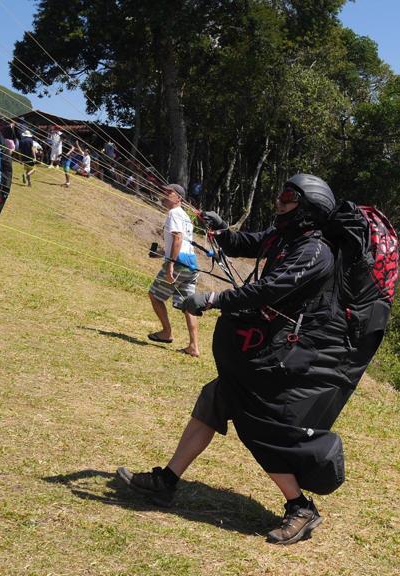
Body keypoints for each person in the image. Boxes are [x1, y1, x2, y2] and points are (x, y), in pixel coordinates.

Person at [117, 174, 348, 545]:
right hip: (259, 347)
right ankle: (167, 481)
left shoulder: (315, 251)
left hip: (281, 354)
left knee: (256, 425)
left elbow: (269, 289)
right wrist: (221, 231)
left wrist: (211, 300)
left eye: (287, 197)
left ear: (307, 209)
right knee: (214, 399)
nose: (278, 201)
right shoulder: (284, 236)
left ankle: (301, 508)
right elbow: (246, 242)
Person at [145, 183, 201, 357]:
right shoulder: (185, 216)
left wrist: (170, 263)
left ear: (179, 198)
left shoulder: (174, 213)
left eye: (169, 192)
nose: (165, 194)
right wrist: (162, 253)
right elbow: (182, 242)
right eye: (165, 191)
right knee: (188, 305)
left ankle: (166, 332)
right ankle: (194, 346)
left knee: (154, 295)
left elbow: (177, 238)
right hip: (191, 264)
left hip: (178, 264)